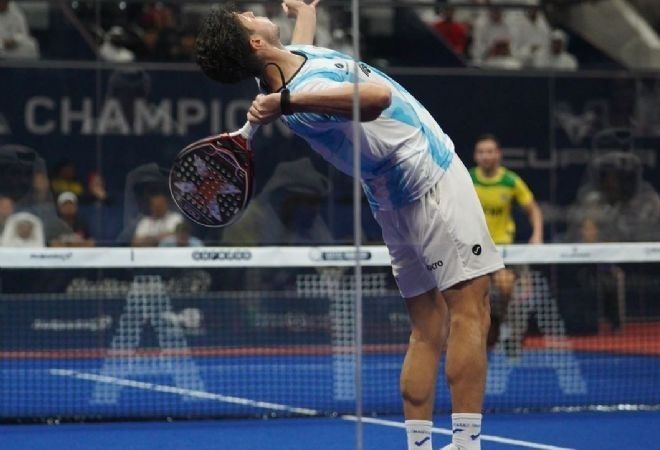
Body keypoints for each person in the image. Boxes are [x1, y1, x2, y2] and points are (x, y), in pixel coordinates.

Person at [195, 3, 505, 449]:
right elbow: (376, 98)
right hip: (429, 182)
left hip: (393, 201)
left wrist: (305, 11)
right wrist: (286, 103)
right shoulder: (304, 92)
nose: (250, 10)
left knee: (426, 328)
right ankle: (466, 444)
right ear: (256, 42)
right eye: (246, 18)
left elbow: (299, 51)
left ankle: (418, 445)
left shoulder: (281, 69)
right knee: (470, 311)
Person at [470, 134, 543, 356]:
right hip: (474, 248)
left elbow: (533, 210)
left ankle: (506, 330)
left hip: (503, 248)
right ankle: (479, 333)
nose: (486, 156)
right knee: (471, 294)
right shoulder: (467, 178)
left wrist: (537, 236)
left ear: (498, 154)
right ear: (476, 156)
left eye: (490, 151)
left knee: (505, 286)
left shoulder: (510, 180)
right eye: (481, 152)